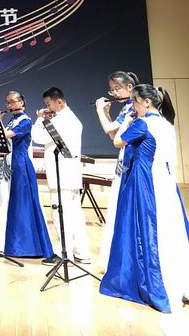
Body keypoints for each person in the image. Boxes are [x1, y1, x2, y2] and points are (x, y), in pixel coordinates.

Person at [100, 84, 189, 312]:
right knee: (168, 228)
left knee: (144, 227)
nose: (133, 106)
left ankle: (148, 279)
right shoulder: (166, 123)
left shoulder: (143, 123)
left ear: (146, 102)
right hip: (165, 180)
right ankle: (179, 279)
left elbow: (118, 141)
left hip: (144, 179)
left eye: (135, 102)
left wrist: (127, 120)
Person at [0, 91, 54, 259]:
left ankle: (24, 246)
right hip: (9, 162)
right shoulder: (13, 120)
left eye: (12, 101)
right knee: (3, 200)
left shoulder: (25, 121)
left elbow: (5, 135)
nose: (9, 105)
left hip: (20, 164)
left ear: (22, 102)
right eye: (7, 102)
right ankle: (1, 243)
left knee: (21, 203)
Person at [31, 87, 91, 264]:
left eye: (48, 104)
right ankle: (81, 252)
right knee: (75, 215)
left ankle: (64, 254)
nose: (47, 108)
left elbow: (38, 137)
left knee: (61, 214)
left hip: (61, 175)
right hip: (70, 174)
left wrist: (40, 118)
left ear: (59, 102)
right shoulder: (72, 118)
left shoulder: (61, 120)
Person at [94, 70, 138, 270]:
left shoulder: (133, 107)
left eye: (117, 88)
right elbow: (114, 135)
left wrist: (99, 110)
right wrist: (106, 113)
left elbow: (108, 130)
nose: (114, 93)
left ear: (130, 87)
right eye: (111, 90)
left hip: (132, 159)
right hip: (123, 156)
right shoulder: (127, 107)